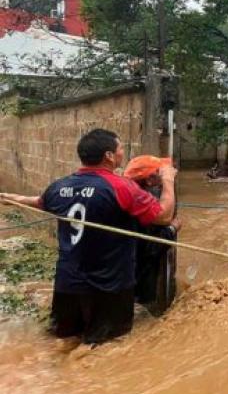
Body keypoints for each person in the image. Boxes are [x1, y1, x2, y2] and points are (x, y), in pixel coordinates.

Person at [0, 129, 177, 345]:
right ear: (109, 156)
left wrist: (14, 198)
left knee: (63, 344)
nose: (122, 152)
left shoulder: (59, 187)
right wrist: (168, 180)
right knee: (107, 348)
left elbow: (39, 202)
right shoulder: (123, 187)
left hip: (67, 286)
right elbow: (164, 215)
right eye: (120, 148)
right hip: (109, 289)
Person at [123, 155, 181, 317]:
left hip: (120, 275)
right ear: (149, 181)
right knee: (146, 318)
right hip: (139, 282)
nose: (164, 173)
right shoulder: (142, 205)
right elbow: (150, 248)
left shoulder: (125, 194)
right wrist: (172, 229)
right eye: (159, 172)